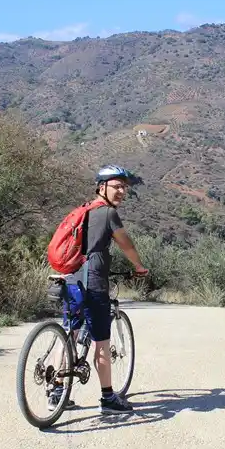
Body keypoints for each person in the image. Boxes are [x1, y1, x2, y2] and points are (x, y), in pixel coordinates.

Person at [50, 164, 149, 414]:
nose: (122, 192)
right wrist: (139, 266)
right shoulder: (107, 213)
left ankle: (56, 391)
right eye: (117, 186)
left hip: (70, 278)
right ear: (101, 187)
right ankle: (108, 398)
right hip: (93, 283)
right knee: (102, 343)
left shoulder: (83, 211)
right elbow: (125, 243)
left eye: (124, 188)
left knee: (69, 332)